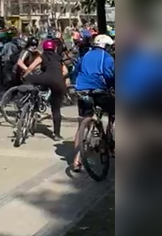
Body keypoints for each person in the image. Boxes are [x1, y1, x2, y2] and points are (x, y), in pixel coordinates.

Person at [71, 34, 115, 171]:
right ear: (106, 46)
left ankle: (76, 159)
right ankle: (110, 140)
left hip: (82, 91)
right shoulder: (107, 58)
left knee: (83, 122)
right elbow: (110, 75)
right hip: (98, 91)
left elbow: (75, 72)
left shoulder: (85, 56)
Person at [22, 38, 69, 141]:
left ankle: (29, 99)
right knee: (56, 110)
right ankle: (57, 134)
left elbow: (31, 68)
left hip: (45, 78)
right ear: (54, 48)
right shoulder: (58, 57)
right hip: (59, 82)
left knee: (29, 80)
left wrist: (25, 76)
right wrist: (57, 77)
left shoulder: (42, 56)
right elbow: (65, 71)